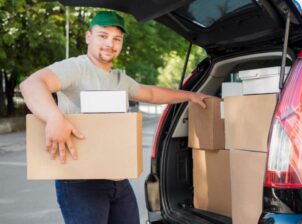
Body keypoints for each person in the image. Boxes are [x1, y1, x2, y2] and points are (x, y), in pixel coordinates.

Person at [20, 11, 209, 224]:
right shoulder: (77, 68)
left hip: (118, 179)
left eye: (116, 39)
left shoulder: (119, 78)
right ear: (88, 36)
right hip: (80, 181)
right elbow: (31, 85)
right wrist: (54, 118)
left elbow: (152, 93)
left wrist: (190, 95)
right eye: (103, 36)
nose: (110, 43)